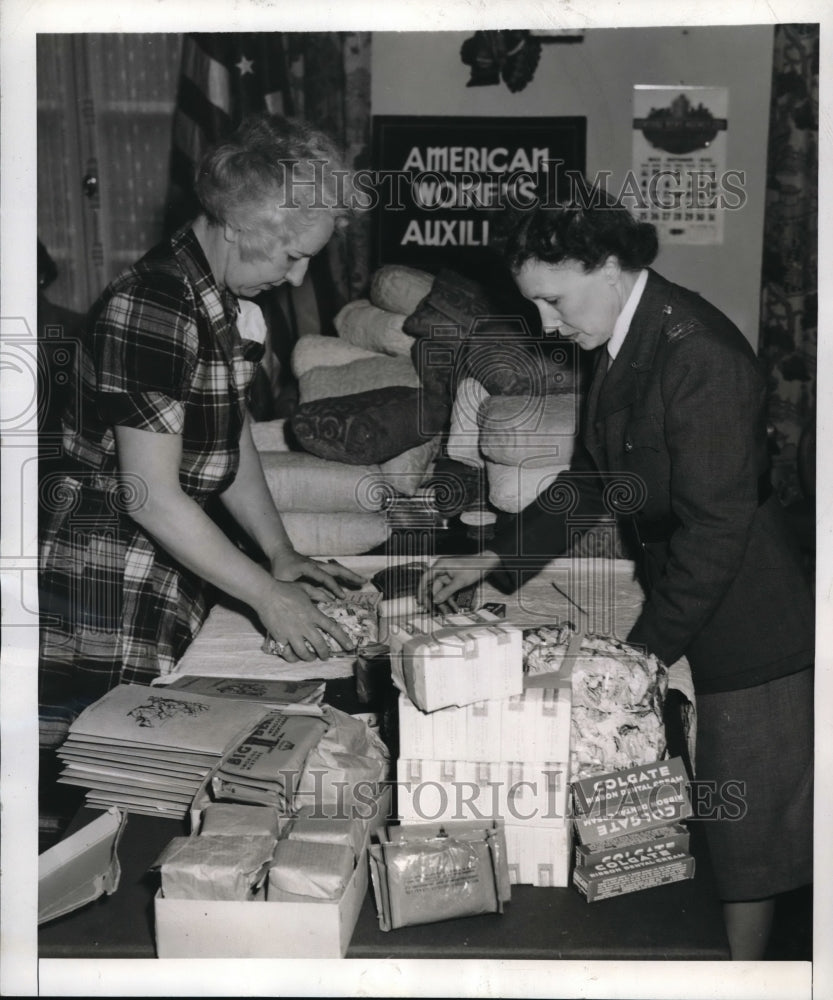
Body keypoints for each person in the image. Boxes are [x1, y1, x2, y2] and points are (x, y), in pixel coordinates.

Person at [420, 196, 814, 960]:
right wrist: (495, 558)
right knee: (704, 820)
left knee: (745, 845)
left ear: (608, 267)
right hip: (694, 583)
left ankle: (738, 979)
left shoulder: (697, 354)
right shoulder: (622, 338)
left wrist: (639, 654)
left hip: (748, 615)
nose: (543, 324)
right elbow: (591, 481)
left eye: (552, 299)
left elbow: (715, 529)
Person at [38, 113, 365, 757]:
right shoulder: (155, 303)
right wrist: (267, 596)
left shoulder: (227, 300)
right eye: (293, 256)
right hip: (105, 575)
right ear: (242, 226)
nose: (298, 279)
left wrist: (280, 551)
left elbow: (226, 432)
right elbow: (149, 496)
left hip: (171, 555)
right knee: (121, 776)